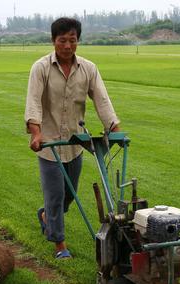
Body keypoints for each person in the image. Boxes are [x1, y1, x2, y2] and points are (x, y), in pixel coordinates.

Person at [24, 17, 120, 260]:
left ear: (78, 41)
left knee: (69, 195)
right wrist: (36, 133)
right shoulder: (41, 68)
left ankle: (47, 216)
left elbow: (102, 100)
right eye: (62, 40)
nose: (67, 46)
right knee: (55, 196)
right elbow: (33, 101)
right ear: (53, 41)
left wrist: (114, 127)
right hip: (49, 145)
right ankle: (59, 244)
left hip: (76, 143)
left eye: (72, 40)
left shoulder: (89, 68)